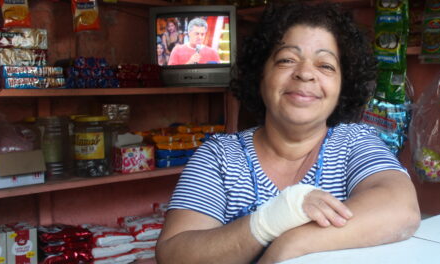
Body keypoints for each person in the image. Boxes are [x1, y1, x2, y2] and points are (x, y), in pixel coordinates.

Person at [156, 2, 420, 264]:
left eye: (325, 66)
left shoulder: (354, 141)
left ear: (343, 85)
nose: (305, 73)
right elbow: (173, 255)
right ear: (260, 75)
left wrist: (291, 243)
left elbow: (401, 208)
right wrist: (265, 223)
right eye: (286, 60)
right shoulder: (220, 155)